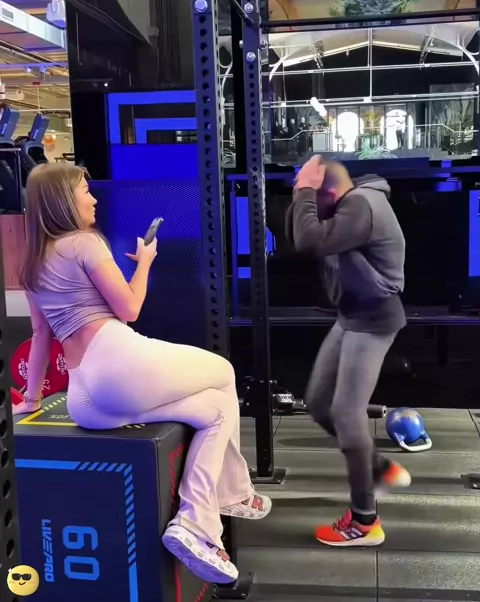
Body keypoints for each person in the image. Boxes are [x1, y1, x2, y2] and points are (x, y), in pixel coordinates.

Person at [13, 162, 272, 584]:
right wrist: (146, 262)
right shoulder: (84, 243)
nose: (93, 198)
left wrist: (31, 398)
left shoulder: (31, 263)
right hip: (116, 361)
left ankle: (207, 516)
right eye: (84, 191)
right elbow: (130, 308)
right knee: (224, 371)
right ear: (64, 201)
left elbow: (40, 335)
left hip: (84, 401)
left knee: (215, 409)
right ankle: (216, 503)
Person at [286, 156, 411, 547]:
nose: (306, 204)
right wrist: (303, 191)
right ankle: (376, 468)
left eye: (311, 195)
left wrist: (305, 190)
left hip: (373, 321)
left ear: (328, 193)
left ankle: (364, 521)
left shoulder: (360, 205)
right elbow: (298, 232)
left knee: (345, 412)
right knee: (318, 403)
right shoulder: (349, 204)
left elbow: (308, 239)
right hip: (351, 316)